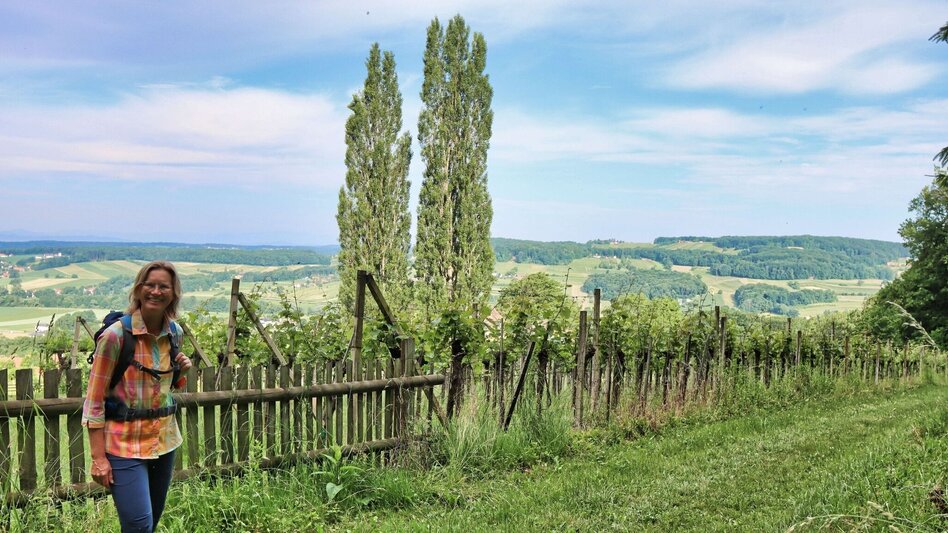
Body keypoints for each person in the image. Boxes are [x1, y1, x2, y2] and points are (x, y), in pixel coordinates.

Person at [82, 261, 192, 533]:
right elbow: (94, 401)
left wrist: (181, 371)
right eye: (150, 285)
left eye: (163, 286)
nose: (156, 291)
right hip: (124, 446)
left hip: (164, 442)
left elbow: (166, 389)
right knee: (138, 525)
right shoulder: (116, 336)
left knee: (150, 522)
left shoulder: (174, 332)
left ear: (173, 293)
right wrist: (99, 458)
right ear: (139, 289)